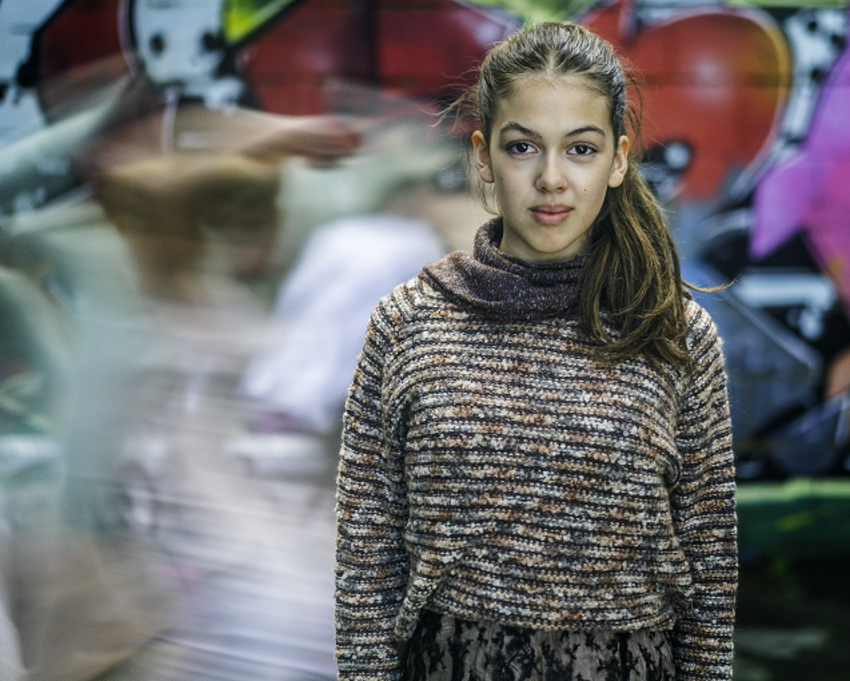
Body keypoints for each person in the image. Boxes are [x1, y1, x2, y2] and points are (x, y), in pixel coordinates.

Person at [334, 22, 736, 681]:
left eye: (580, 148)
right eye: (523, 147)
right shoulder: (406, 324)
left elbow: (710, 569)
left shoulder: (676, 336)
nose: (551, 178)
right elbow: (367, 561)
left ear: (618, 160)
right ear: (484, 156)